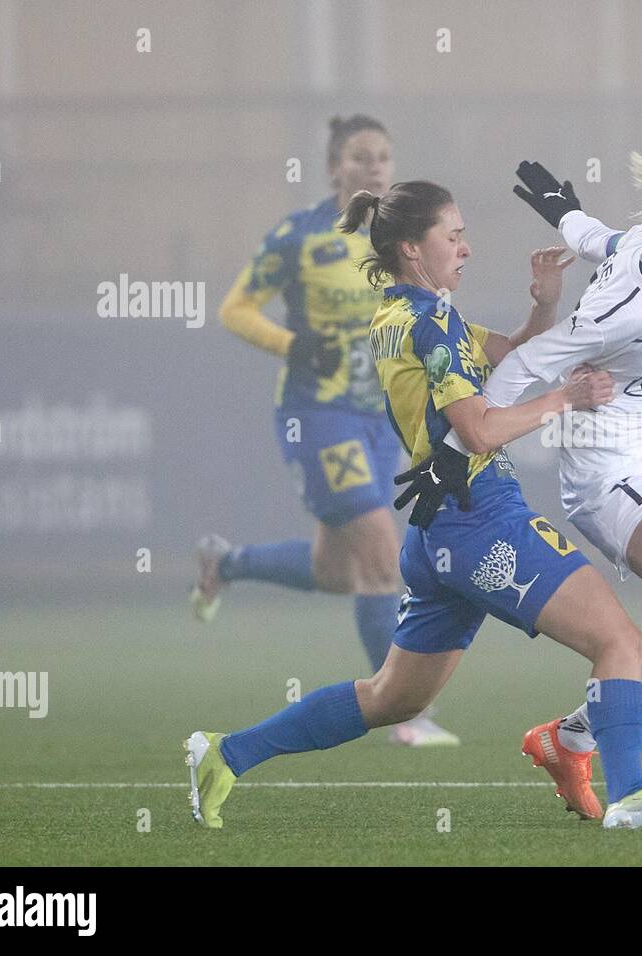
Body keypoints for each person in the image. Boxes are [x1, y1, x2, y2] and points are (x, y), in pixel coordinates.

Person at [184, 179, 642, 830]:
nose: (466, 248)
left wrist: (543, 306)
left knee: (388, 697)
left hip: (435, 531)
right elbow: (481, 430)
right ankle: (630, 793)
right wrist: (565, 400)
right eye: (453, 236)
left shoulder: (401, 313)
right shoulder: (432, 321)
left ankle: (225, 754)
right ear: (412, 247)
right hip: (480, 515)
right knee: (620, 640)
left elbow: (509, 356)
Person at [437, 153, 642, 825]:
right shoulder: (623, 309)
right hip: (607, 467)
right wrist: (470, 441)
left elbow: (599, 238)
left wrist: (560, 208)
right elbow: (527, 360)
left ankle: (570, 736)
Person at [191, 115, 455, 745]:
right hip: (315, 415)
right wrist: (293, 345)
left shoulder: (403, 243)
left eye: (384, 157)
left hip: (377, 420)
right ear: (335, 167)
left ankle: (226, 562)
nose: (375, 168)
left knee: (336, 571)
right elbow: (234, 309)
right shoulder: (300, 237)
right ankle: (403, 709)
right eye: (361, 157)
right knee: (379, 553)